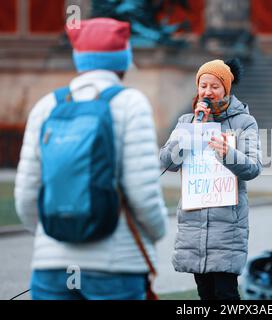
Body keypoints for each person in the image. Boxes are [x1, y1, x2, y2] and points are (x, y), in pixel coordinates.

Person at [14, 18, 167, 300]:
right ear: (123, 59)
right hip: (116, 265)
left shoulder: (47, 105)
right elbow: (143, 194)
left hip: (52, 266)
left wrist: (52, 236)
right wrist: (157, 233)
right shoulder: (131, 103)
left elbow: (26, 195)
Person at [160, 59, 262, 300]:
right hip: (194, 226)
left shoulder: (244, 122)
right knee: (204, 294)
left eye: (214, 86)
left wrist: (228, 153)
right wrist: (193, 131)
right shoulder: (187, 122)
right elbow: (167, 161)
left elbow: (253, 167)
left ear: (226, 88)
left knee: (226, 293)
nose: (207, 92)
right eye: (203, 85)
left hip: (228, 226)